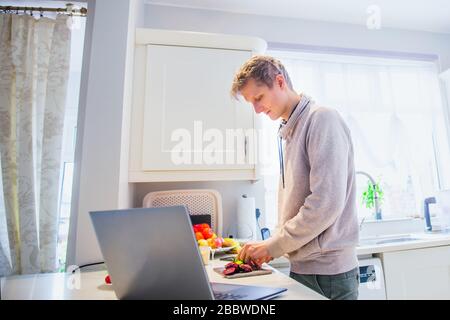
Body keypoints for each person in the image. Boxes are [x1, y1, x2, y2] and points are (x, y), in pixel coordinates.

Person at [231, 55, 360, 300]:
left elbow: (325, 203)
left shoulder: (322, 119)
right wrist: (275, 244)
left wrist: (274, 245)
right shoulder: (289, 129)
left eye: (258, 98)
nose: (257, 109)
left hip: (328, 274)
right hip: (305, 268)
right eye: (251, 103)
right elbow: (298, 200)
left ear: (280, 82)